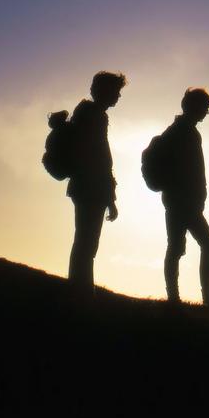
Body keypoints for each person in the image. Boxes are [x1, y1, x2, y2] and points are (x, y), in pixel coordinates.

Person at [67, 71, 126, 294]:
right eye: (116, 92)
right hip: (90, 187)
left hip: (85, 186)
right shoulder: (94, 116)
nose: (118, 97)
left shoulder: (87, 113)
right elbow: (100, 160)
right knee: (87, 241)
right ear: (104, 91)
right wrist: (110, 197)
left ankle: (80, 287)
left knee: (85, 240)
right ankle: (81, 290)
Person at [160, 87, 209, 307]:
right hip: (180, 201)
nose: (206, 112)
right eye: (204, 107)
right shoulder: (182, 132)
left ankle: (180, 298)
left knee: (178, 247)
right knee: (200, 246)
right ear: (194, 107)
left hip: (183, 200)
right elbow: (186, 169)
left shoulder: (185, 131)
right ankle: (196, 299)